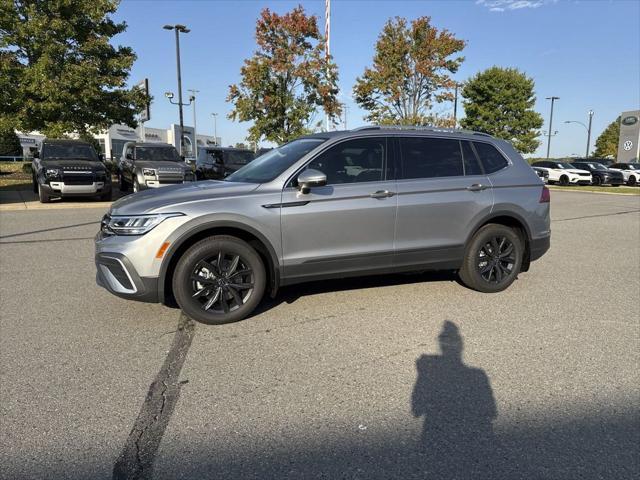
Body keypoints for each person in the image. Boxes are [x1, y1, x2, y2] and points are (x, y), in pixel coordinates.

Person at [411, 321, 498, 479]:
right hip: (475, 437)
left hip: (436, 433)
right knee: (473, 466)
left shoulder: (477, 375)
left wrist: (423, 375)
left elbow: (417, 409)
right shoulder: (478, 375)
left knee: (439, 466)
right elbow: (491, 412)